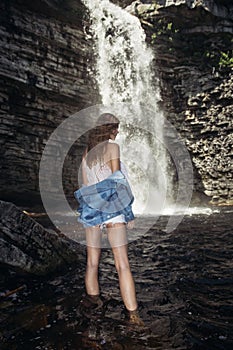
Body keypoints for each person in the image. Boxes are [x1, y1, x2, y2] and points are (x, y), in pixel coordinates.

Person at [75, 113, 144, 326]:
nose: (118, 132)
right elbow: (117, 180)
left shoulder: (86, 154)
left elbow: (85, 187)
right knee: (122, 264)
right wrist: (128, 211)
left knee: (92, 262)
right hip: (113, 207)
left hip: (91, 208)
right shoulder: (112, 147)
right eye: (116, 128)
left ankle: (94, 304)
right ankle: (133, 315)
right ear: (108, 129)